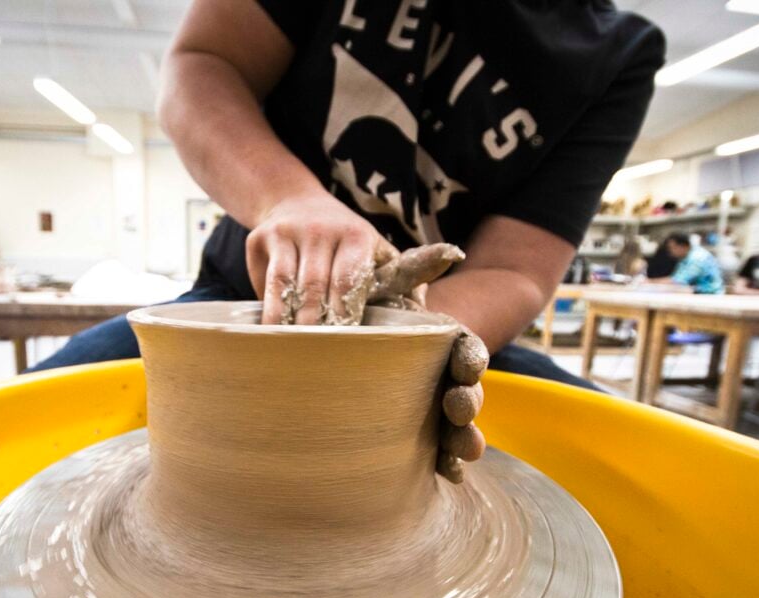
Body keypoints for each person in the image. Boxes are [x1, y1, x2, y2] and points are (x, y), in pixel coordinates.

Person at [35, 3, 663, 388]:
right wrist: (289, 201)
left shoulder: (619, 55)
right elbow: (204, 63)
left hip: (432, 327)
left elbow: (516, 271)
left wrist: (404, 345)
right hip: (247, 298)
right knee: (36, 415)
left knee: (636, 478)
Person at [651, 232, 724, 294]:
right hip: (699, 292)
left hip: (710, 295)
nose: (670, 251)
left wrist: (649, 281)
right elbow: (676, 278)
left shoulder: (697, 258)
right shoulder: (685, 257)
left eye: (672, 248)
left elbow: (678, 281)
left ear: (683, 246)